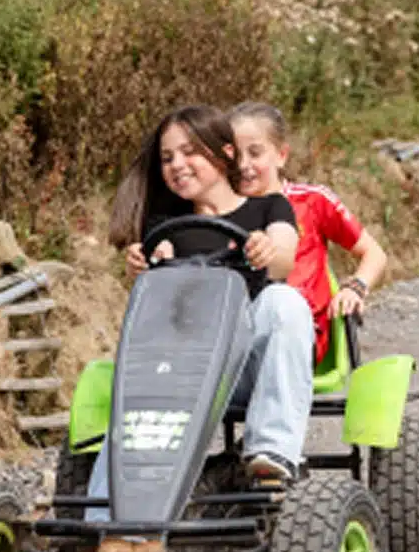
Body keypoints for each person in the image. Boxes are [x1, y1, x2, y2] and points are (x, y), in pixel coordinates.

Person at [92, 105, 314, 505]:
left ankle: (272, 451)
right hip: (182, 371)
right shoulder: (166, 226)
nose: (177, 165)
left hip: (244, 367)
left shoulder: (267, 209)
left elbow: (284, 256)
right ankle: (102, 515)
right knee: (135, 395)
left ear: (225, 152)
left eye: (189, 151)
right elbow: (158, 269)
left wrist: (266, 251)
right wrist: (146, 266)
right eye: (167, 158)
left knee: (283, 300)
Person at [227, 101, 388, 365]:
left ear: (281, 155)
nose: (244, 165)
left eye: (255, 153)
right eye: (234, 156)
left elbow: (374, 253)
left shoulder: (311, 201)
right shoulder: (218, 207)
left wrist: (355, 288)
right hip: (235, 332)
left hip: (300, 333)